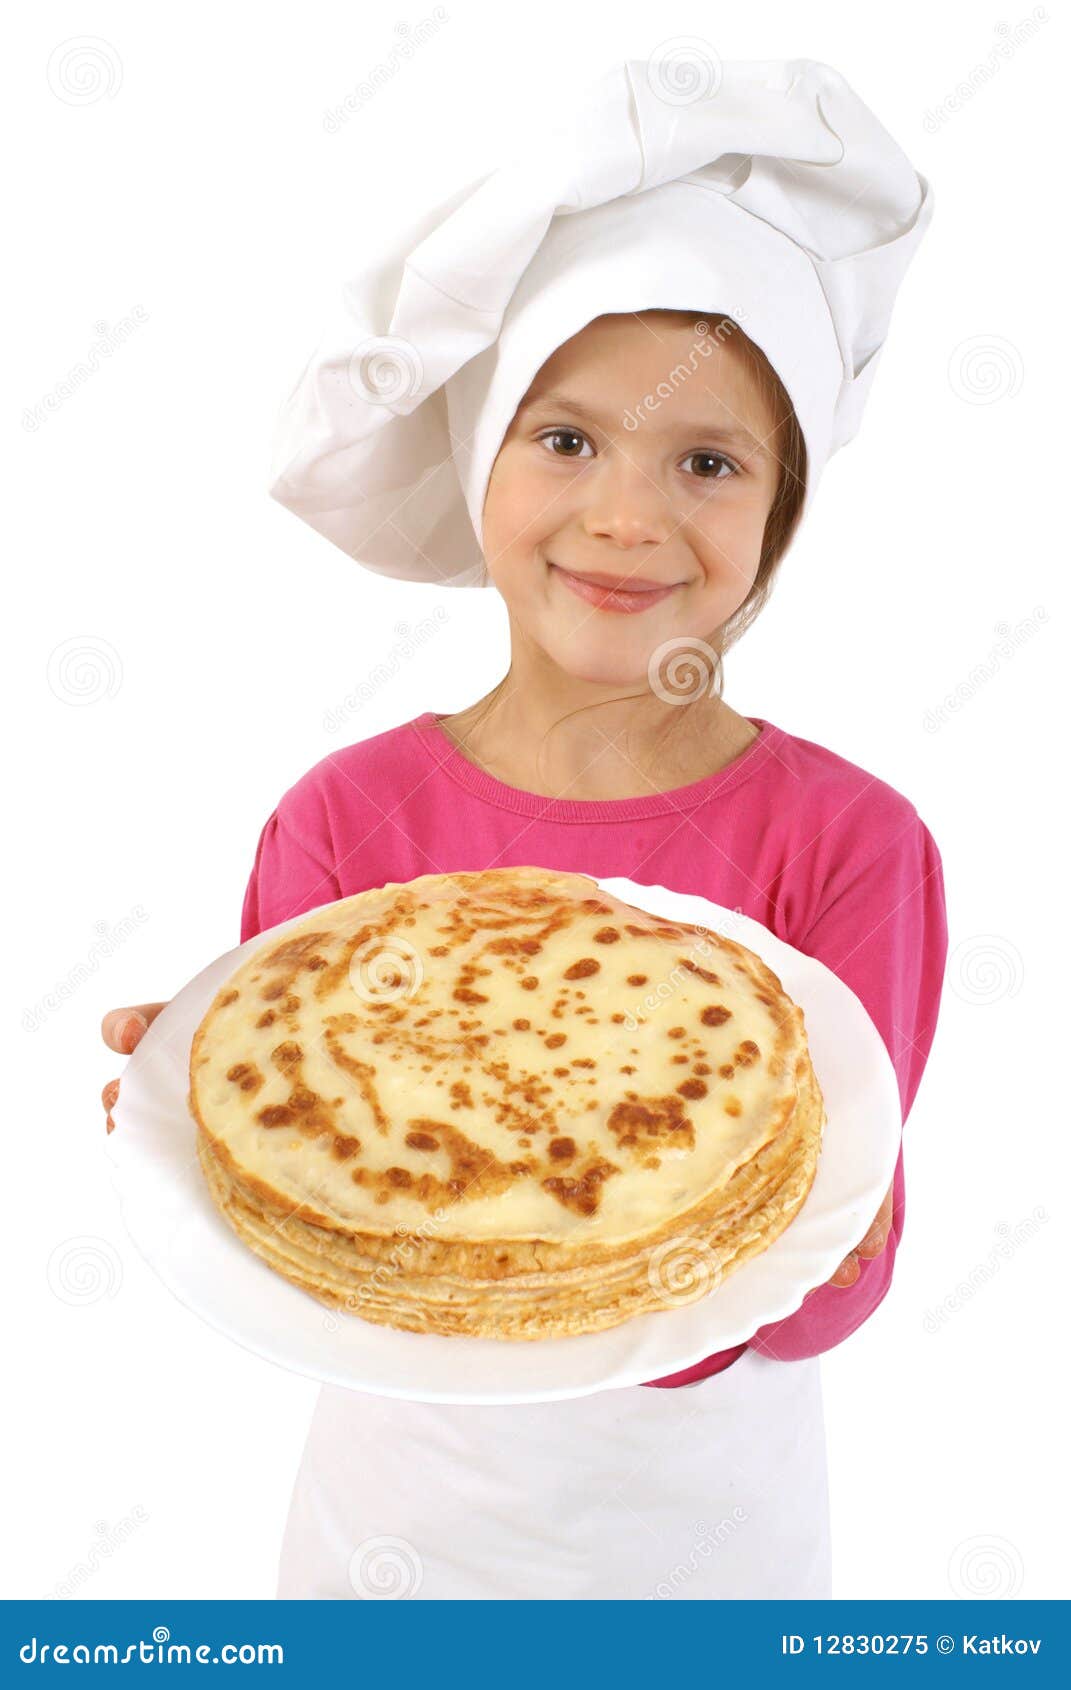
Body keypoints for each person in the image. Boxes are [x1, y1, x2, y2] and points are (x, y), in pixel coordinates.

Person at [100, 58, 948, 1599]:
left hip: (718, 1570)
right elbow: (312, 1203)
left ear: (782, 509)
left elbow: (835, 1281)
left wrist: (753, 1203)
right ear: (478, 454)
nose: (628, 516)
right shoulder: (342, 817)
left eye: (707, 461)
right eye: (565, 439)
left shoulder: (854, 843)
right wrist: (203, 1101)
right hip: (384, 1559)